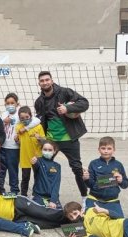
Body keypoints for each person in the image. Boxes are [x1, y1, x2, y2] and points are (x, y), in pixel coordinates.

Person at [34, 71, 89, 207]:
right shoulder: (39, 101)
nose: (45, 82)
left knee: (77, 168)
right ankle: (41, 196)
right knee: (42, 167)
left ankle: (84, 197)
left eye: (47, 80)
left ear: (52, 81)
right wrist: (40, 137)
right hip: (51, 140)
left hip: (69, 138)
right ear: (39, 83)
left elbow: (84, 103)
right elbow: (40, 121)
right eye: (42, 80)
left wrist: (68, 108)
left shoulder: (65, 92)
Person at [0, 183, 67, 229]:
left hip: (17, 204)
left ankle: (71, 214)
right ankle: (69, 224)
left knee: (45, 213)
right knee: (44, 224)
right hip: (16, 218)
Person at [0, 93, 40, 194]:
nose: (10, 105)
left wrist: (25, 128)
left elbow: (37, 120)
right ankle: (0, 190)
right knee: (1, 171)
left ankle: (14, 190)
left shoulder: (20, 114)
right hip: (3, 146)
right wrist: (4, 121)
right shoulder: (4, 114)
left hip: (14, 148)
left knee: (13, 171)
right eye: (8, 103)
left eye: (12, 103)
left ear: (17, 103)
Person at [63, 201, 128, 237]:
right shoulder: (83, 229)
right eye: (71, 217)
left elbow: (119, 217)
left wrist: (104, 210)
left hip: (125, 226)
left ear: (81, 210)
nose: (74, 218)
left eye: (75, 214)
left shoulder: (91, 211)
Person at [83, 136, 128, 217]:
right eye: (103, 148)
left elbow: (125, 185)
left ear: (114, 149)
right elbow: (90, 185)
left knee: (119, 222)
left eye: (109, 148)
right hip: (95, 199)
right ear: (99, 149)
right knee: (89, 221)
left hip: (112, 200)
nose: (106, 151)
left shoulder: (118, 165)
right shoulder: (93, 164)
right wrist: (86, 179)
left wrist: (121, 181)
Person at [16, 106, 45, 197]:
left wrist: (39, 138)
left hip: (37, 157)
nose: (25, 120)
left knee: (38, 177)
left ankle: (36, 194)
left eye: (27, 117)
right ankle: (23, 195)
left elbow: (44, 141)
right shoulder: (19, 127)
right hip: (25, 157)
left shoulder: (38, 126)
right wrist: (16, 140)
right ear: (20, 119)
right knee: (25, 178)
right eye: (22, 118)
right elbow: (18, 141)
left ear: (31, 116)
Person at [30, 140, 62, 209]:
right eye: (45, 149)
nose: (47, 151)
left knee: (60, 215)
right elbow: (35, 166)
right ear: (41, 150)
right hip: (38, 196)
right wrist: (34, 163)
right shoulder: (38, 161)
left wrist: (53, 200)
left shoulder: (57, 166)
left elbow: (56, 183)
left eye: (50, 150)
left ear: (54, 151)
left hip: (52, 198)